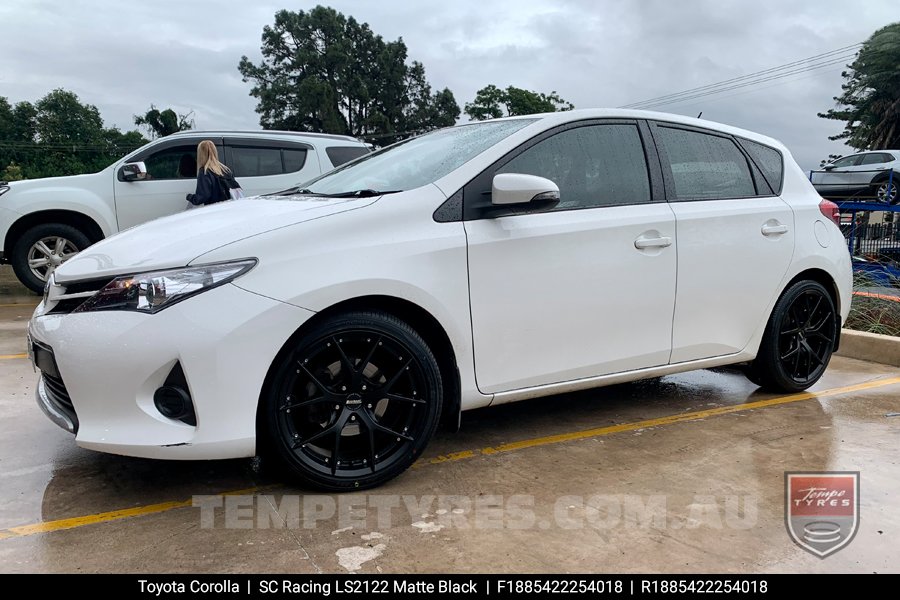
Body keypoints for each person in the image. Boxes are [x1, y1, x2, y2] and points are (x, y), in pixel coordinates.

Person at [186, 140, 240, 206]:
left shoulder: (204, 172)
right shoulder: (226, 170)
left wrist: (189, 197)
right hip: (227, 207)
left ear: (200, 155)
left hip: (214, 209)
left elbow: (203, 196)